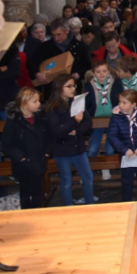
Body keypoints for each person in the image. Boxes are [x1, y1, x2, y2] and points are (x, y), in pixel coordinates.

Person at [46, 73, 95, 205]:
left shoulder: (77, 101)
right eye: (69, 86)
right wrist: (74, 121)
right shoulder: (52, 107)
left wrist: (77, 131)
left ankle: (90, 205)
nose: (73, 89)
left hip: (78, 148)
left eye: (74, 86)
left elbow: (88, 122)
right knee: (67, 181)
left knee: (88, 178)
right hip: (62, 150)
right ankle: (69, 208)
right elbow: (57, 131)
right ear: (59, 88)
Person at [108, 89, 137, 214]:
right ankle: (126, 203)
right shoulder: (116, 117)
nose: (120, 105)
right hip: (126, 154)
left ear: (133, 104)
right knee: (126, 180)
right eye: (120, 102)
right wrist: (124, 150)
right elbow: (112, 136)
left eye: (124, 103)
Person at [1, 88, 49, 209]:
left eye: (39, 101)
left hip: (39, 160)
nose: (39, 104)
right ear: (24, 103)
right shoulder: (13, 122)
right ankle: (26, 215)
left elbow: (49, 137)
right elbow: (6, 145)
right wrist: (22, 158)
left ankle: (38, 216)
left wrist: (46, 154)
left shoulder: (41, 119)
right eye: (35, 101)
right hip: (23, 164)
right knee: (25, 193)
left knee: (38, 193)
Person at [30, 18, 91, 95]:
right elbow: (32, 62)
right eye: (53, 35)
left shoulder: (80, 46)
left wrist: (79, 74)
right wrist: (37, 73)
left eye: (59, 34)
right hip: (52, 90)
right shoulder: (45, 47)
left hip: (73, 89)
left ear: (67, 31)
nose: (56, 38)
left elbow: (86, 65)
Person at [84, 60, 122, 180]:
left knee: (110, 148)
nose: (101, 74)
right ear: (93, 73)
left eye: (104, 71)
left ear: (109, 71)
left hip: (112, 119)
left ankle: (106, 169)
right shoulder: (89, 85)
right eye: (98, 72)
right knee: (93, 147)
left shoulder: (116, 83)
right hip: (96, 120)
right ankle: (87, 171)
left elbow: (120, 99)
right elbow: (86, 103)